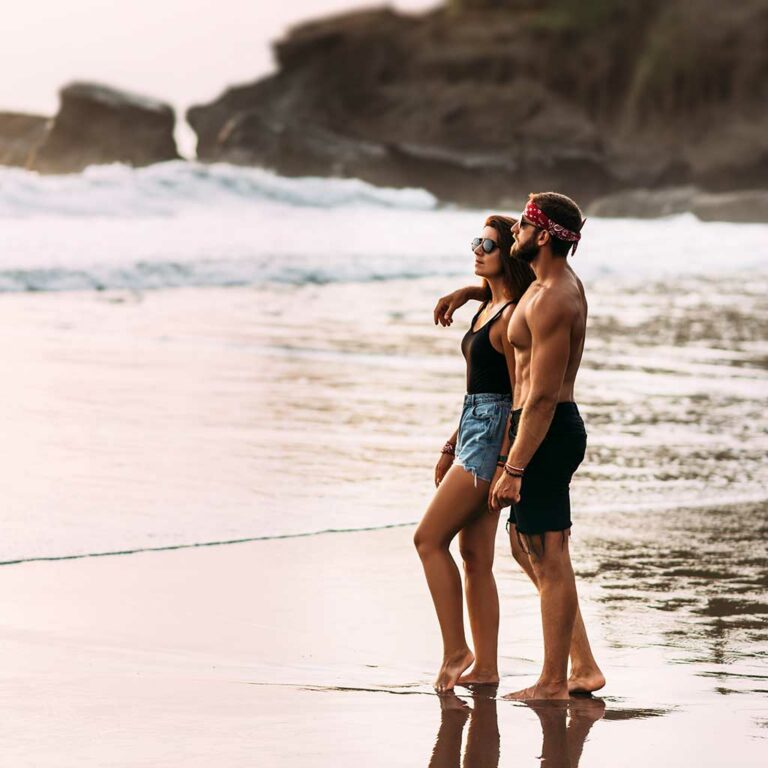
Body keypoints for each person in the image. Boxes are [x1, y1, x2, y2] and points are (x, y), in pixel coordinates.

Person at [433, 192, 605, 699]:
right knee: (530, 550)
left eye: (524, 226)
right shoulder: (545, 286)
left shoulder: (555, 298)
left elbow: (545, 395)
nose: (514, 235)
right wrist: (471, 291)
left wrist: (514, 466)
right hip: (537, 429)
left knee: (547, 554)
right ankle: (583, 666)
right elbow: (509, 300)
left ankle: (555, 681)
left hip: (545, 432)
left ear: (545, 236)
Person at [414, 215, 535, 693]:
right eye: (475, 241)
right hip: (473, 431)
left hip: (492, 443)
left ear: (509, 252)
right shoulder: (488, 307)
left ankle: (455, 651)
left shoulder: (513, 317)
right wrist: (451, 443)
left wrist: (507, 464)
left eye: (488, 243)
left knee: (428, 540)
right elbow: (478, 391)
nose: (478, 249)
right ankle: (485, 668)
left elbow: (517, 395)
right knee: (474, 556)